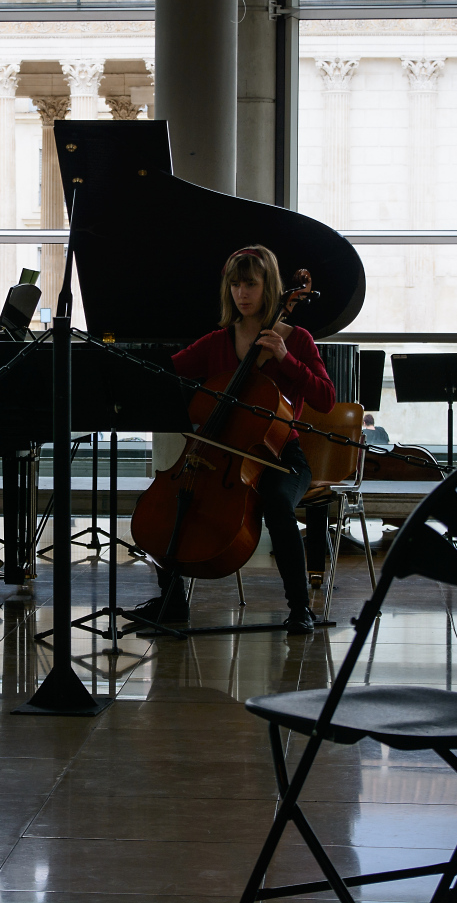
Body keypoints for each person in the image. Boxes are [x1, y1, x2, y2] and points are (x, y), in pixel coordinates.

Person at [133, 244, 337, 635]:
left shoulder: (295, 340)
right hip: (218, 455)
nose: (241, 294)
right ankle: (173, 600)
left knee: (278, 503)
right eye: (235, 285)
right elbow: (168, 376)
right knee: (177, 500)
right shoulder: (216, 342)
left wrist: (285, 358)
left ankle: (300, 608)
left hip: (281, 455)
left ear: (271, 287)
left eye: (251, 285)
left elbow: (326, 399)